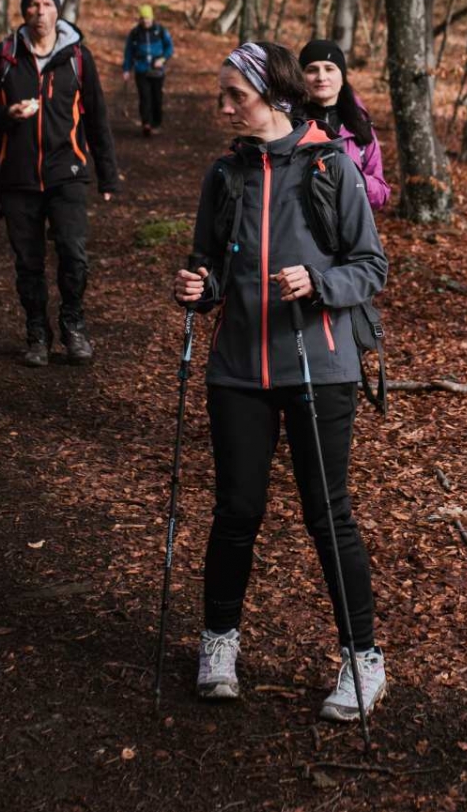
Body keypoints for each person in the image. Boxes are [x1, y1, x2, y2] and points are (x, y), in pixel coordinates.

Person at [173, 41, 388, 721]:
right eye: (222, 92)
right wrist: (195, 288)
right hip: (237, 369)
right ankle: (219, 643)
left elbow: (370, 267)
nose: (224, 105)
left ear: (270, 92)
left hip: (319, 366)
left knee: (329, 515)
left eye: (234, 92)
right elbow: (206, 267)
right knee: (237, 510)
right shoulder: (225, 173)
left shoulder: (331, 165)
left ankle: (364, 660)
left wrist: (319, 281)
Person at [0, 0, 120, 367]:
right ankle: (37, 332)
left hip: (67, 172)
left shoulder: (77, 58)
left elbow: (97, 117)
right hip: (17, 177)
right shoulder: (3, 55)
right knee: (28, 262)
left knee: (73, 254)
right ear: (24, 12)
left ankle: (73, 324)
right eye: (33, 6)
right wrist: (7, 114)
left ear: (58, 11)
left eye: (47, 5)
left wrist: (108, 174)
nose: (40, 12)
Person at [299, 39, 391, 211]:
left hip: (348, 230)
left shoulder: (359, 126)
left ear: (342, 77)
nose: (321, 77)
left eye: (329, 68)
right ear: (301, 78)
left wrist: (354, 180)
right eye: (312, 70)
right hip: (298, 229)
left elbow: (381, 194)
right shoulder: (289, 124)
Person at [122, 4, 173, 137]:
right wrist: (126, 69)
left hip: (157, 71)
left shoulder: (160, 31)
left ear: (152, 18)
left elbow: (169, 48)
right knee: (144, 97)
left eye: (148, 18)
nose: (146, 21)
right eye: (143, 18)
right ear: (140, 19)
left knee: (157, 97)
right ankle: (146, 123)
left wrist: (162, 59)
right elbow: (128, 52)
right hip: (141, 69)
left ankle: (156, 122)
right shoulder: (135, 33)